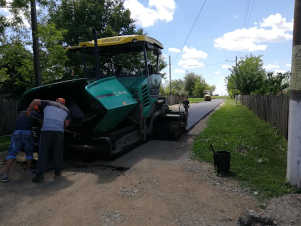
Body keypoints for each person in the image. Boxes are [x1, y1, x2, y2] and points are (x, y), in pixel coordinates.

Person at [27, 98, 71, 183]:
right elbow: (67, 124)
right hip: (59, 133)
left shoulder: (49, 103)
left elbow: (35, 101)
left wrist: (29, 110)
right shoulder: (67, 110)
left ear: (56, 100)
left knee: (43, 152)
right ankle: (57, 173)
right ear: (64, 103)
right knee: (58, 153)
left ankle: (40, 176)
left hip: (47, 131)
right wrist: (61, 126)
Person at [0, 110, 37, 182]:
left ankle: (5, 174)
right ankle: (28, 171)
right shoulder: (34, 113)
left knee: (12, 153)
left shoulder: (22, 113)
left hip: (16, 132)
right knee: (29, 152)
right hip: (27, 133)